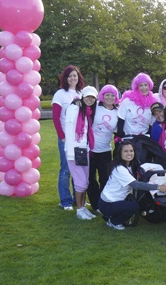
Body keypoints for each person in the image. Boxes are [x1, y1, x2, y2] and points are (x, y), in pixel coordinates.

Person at [98, 141, 166, 230]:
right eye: (126, 151)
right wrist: (158, 187)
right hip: (107, 203)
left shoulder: (130, 165)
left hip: (115, 199)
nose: (129, 153)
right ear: (120, 153)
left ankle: (111, 215)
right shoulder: (120, 169)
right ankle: (113, 221)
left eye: (131, 151)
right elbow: (136, 185)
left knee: (133, 202)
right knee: (134, 207)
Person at [52, 65, 84, 211]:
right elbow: (56, 117)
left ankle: (77, 198)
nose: (73, 78)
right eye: (70, 76)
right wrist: (62, 136)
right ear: (65, 78)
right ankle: (65, 200)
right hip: (66, 138)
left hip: (79, 139)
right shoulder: (60, 94)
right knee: (65, 169)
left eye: (75, 75)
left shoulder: (82, 93)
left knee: (78, 169)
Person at [64, 86, 98, 220]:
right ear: (82, 97)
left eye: (92, 98)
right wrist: (71, 152)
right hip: (75, 151)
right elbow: (69, 129)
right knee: (81, 182)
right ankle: (79, 210)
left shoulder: (88, 111)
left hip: (84, 149)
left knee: (85, 182)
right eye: (87, 97)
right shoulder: (74, 108)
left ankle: (83, 207)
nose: (89, 99)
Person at [87, 85, 120, 212]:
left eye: (113, 95)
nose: (110, 97)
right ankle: (95, 204)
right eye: (107, 94)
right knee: (90, 179)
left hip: (105, 151)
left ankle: (102, 203)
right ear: (102, 95)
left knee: (104, 179)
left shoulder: (118, 112)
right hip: (90, 149)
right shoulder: (95, 107)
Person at [117, 73, 157, 162]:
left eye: (145, 85)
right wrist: (121, 134)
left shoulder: (153, 102)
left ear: (149, 86)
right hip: (128, 138)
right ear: (137, 87)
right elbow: (121, 118)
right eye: (141, 85)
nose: (143, 88)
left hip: (143, 138)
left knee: (142, 162)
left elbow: (152, 122)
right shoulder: (128, 100)